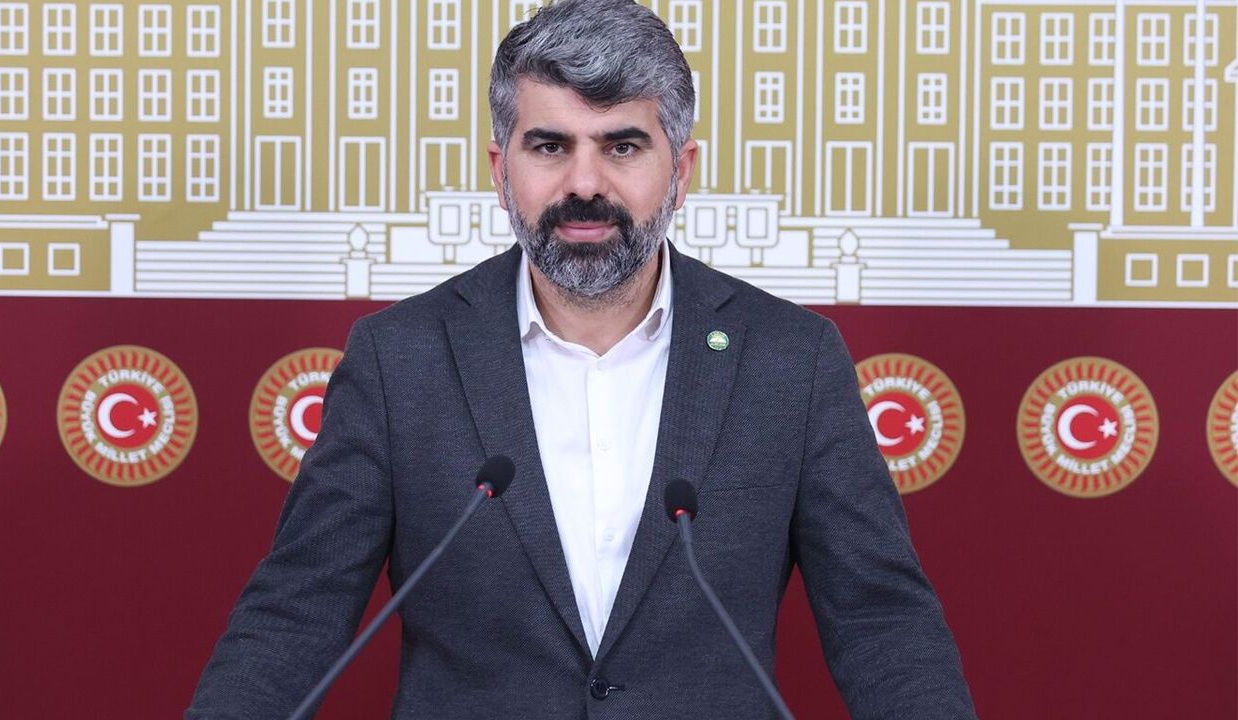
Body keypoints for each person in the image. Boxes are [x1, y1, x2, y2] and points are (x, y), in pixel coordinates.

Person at [187, 1, 977, 718]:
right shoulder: (400, 360)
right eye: (550, 146)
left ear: (682, 171)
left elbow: (882, 620)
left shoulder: (790, 362)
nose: (584, 183)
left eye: (622, 146)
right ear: (501, 171)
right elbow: (296, 612)